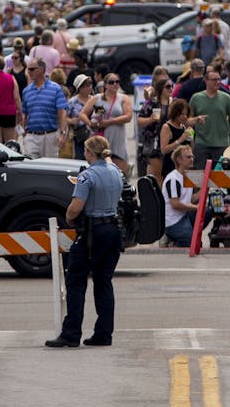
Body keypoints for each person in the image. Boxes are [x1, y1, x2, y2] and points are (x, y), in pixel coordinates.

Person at [46, 135, 125, 348]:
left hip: (92, 231)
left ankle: (71, 333)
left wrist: (69, 217)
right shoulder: (116, 172)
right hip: (113, 230)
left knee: (76, 281)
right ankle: (104, 333)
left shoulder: (87, 176)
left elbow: (75, 207)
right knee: (104, 281)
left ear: (90, 153)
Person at [188, 66, 230, 168]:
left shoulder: (226, 98)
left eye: (219, 79)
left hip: (222, 144)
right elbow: (188, 121)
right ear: (206, 81)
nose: (217, 82)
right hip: (201, 144)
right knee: (201, 177)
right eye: (214, 80)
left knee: (221, 177)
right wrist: (191, 139)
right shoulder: (196, 98)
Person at [83, 73, 133, 176]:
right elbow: (83, 114)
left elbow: (128, 117)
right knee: (100, 171)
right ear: (105, 85)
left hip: (118, 138)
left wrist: (109, 122)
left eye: (117, 82)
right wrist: (90, 123)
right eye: (111, 82)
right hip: (101, 138)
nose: (114, 84)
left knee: (120, 172)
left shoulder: (123, 98)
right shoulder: (97, 98)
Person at [19, 62, 68, 159]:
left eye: (32, 69)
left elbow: (62, 113)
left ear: (41, 70)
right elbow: (25, 114)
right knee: (30, 165)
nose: (29, 72)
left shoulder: (55, 89)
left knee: (50, 168)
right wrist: (24, 133)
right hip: (31, 135)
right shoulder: (26, 91)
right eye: (28, 69)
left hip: (50, 136)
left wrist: (62, 133)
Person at [161, 144, 200, 245]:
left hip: (183, 215)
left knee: (207, 211)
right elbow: (175, 204)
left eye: (192, 156)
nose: (192, 159)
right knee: (194, 243)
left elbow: (190, 199)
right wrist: (197, 208)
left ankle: (188, 233)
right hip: (173, 221)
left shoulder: (187, 176)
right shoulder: (173, 179)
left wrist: (206, 190)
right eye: (188, 157)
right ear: (179, 160)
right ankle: (173, 240)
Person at [136, 75, 170, 180]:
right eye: (168, 87)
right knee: (157, 175)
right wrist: (150, 120)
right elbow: (139, 120)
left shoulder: (174, 102)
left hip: (171, 142)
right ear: (161, 89)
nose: (171, 89)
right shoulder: (152, 104)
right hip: (155, 144)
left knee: (167, 174)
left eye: (172, 86)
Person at [159, 99, 195, 178]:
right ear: (175, 113)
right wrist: (180, 140)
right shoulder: (167, 127)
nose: (185, 117)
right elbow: (164, 150)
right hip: (170, 166)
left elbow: (190, 149)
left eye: (186, 114)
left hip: (183, 167)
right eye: (182, 114)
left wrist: (191, 138)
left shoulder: (183, 127)